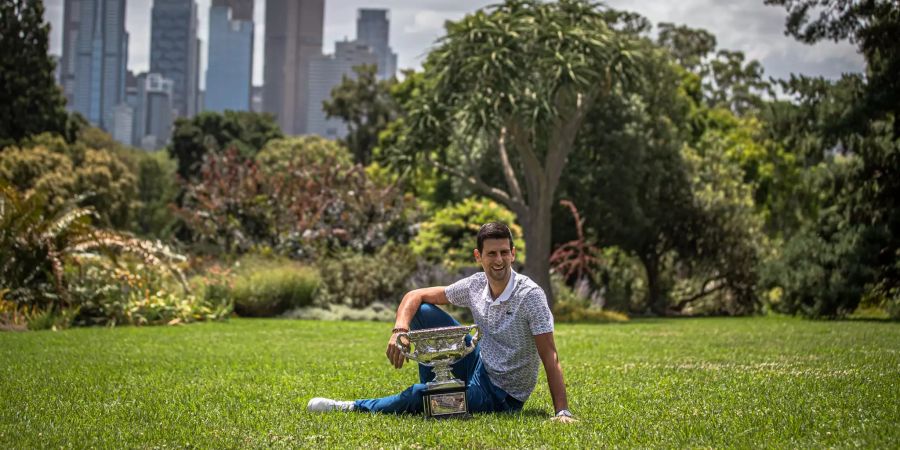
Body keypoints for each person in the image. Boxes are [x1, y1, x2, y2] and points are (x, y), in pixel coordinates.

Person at [307, 222, 577, 422]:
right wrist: (399, 330)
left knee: (417, 396)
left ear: (513, 254)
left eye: (504, 253)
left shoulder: (530, 296)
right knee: (423, 310)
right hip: (479, 361)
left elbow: (550, 355)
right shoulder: (476, 284)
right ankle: (436, 387)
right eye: (492, 254)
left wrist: (562, 411)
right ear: (478, 257)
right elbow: (416, 295)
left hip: (501, 394)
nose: (499, 260)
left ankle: (351, 406)